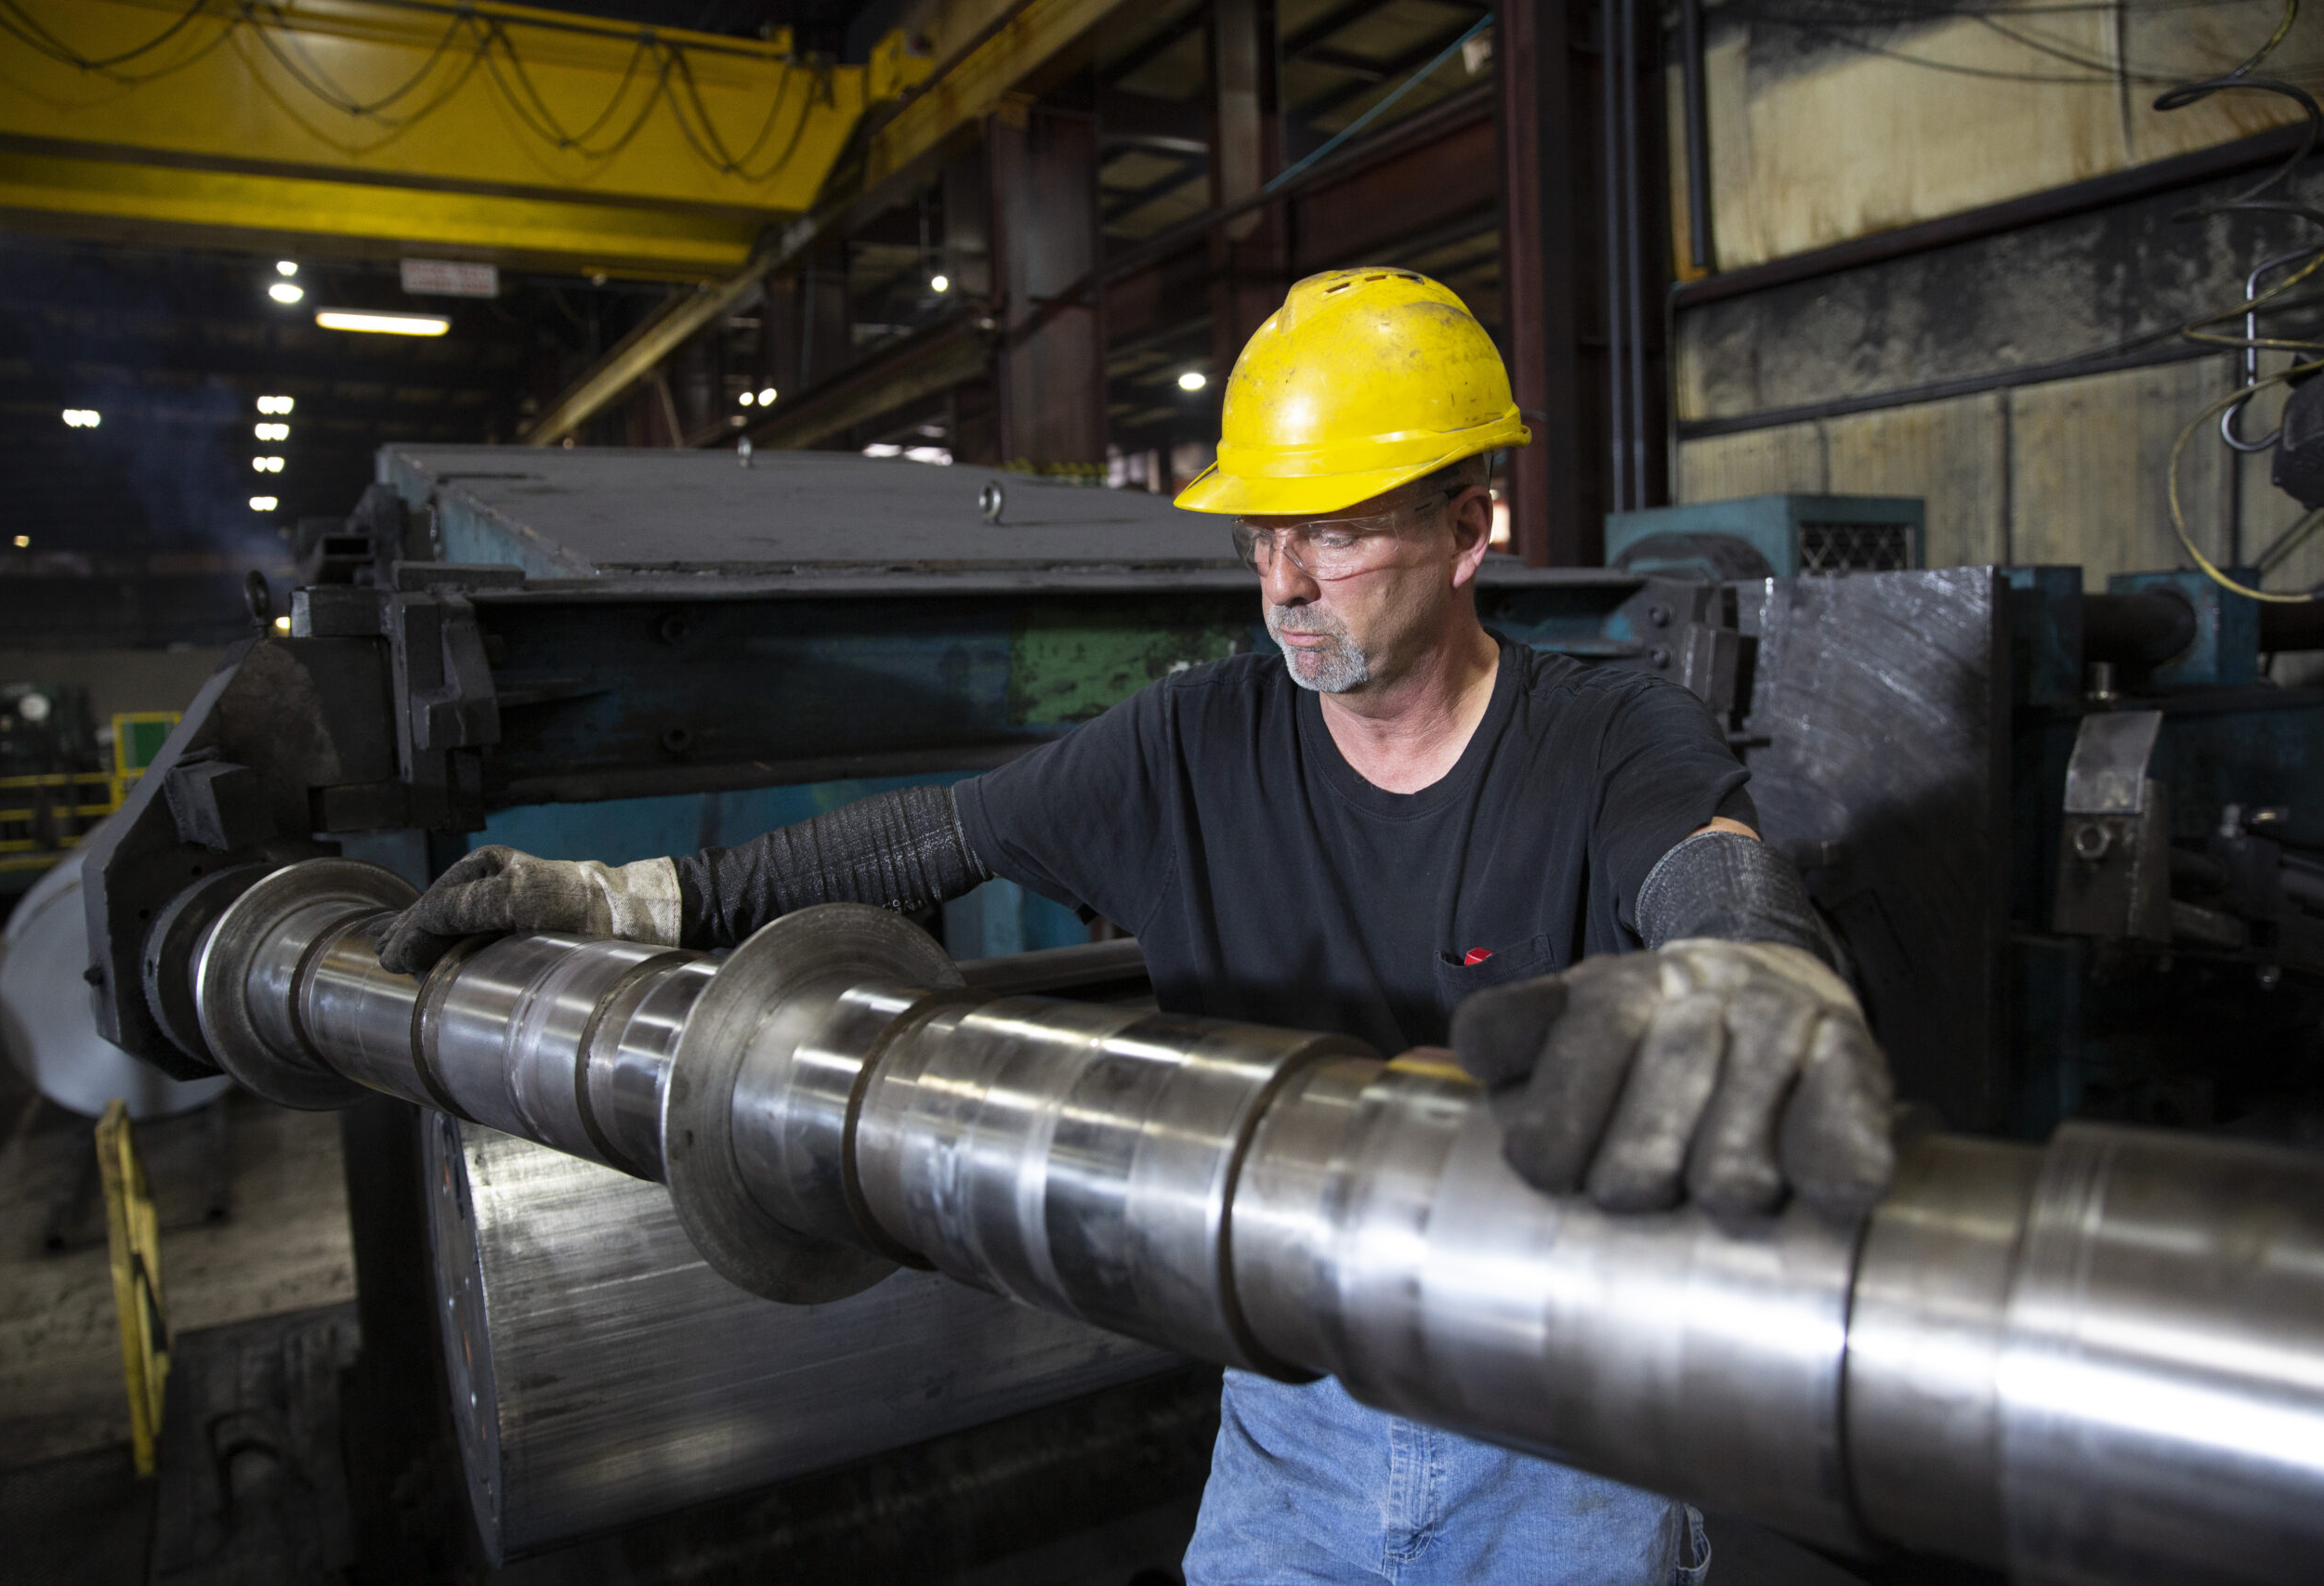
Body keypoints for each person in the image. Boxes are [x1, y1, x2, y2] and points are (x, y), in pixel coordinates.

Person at [378, 268, 1894, 1586]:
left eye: (1338, 535)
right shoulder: (1190, 746)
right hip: (1291, 1424)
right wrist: (634, 900)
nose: (1287, 585)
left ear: (1471, 524)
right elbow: (928, 840)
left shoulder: (1604, 730)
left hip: (1565, 1428)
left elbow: (1710, 864)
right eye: (1262, 540)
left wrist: (1752, 975)